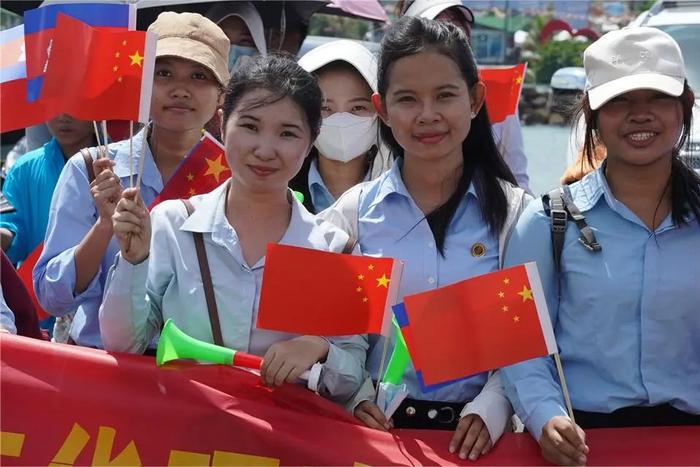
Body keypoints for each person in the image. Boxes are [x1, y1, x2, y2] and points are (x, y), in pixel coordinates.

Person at [99, 53, 366, 405]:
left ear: (312, 138)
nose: (265, 149)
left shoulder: (335, 249)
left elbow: (356, 378)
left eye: (287, 133)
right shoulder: (172, 224)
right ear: (223, 125)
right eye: (250, 126)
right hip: (184, 445)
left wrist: (317, 348)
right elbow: (121, 345)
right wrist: (133, 262)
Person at [323, 17, 529, 460]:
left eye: (445, 95)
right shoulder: (351, 216)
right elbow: (334, 335)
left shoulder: (517, 217)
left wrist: (492, 406)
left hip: (482, 447)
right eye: (407, 100)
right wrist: (355, 396)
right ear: (382, 110)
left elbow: (531, 340)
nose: (427, 115)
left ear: (475, 100)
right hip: (376, 442)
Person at [501, 27, 700, 466]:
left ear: (685, 106)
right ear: (591, 112)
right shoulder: (545, 221)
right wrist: (545, 416)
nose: (641, 115)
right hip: (586, 448)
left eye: (658, 99)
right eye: (621, 101)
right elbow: (519, 343)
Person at [33, 12, 229, 348]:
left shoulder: (234, 177)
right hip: (103, 370)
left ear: (222, 94)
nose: (180, 90)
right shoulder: (93, 167)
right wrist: (104, 227)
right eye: (164, 73)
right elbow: (51, 298)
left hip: (196, 377)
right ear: (140, 81)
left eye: (199, 76)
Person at [398, 0, 531, 192]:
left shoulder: (498, 92)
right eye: (435, 30)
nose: (446, 41)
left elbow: (518, 177)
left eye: (455, 29)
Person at [290, 39, 387, 213]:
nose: (341, 119)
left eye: (358, 108)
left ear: (381, 112)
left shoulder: (400, 195)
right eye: (325, 108)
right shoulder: (279, 192)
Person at [1, 114, 95, 265]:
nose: (64, 116)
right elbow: (13, 237)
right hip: (36, 286)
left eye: (75, 102)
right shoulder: (23, 169)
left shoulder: (123, 165)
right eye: (54, 104)